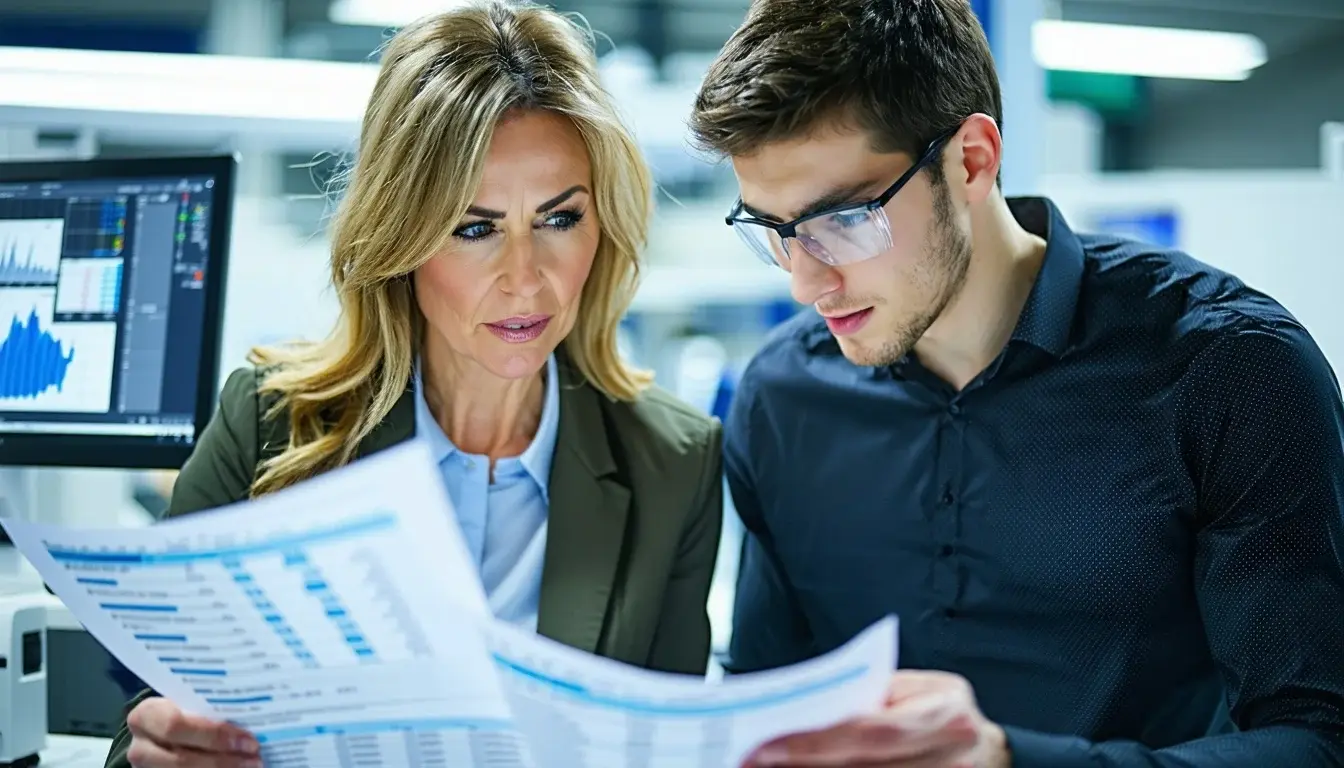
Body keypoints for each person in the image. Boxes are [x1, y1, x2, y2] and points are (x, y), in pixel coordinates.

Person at [688, 0, 1344, 766]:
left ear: (972, 158)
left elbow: (1318, 741)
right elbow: (770, 697)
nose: (806, 283)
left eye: (844, 220)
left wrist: (1009, 760)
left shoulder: (1230, 369)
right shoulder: (781, 398)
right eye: (772, 232)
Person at [107, 3, 724, 767]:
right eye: (475, 228)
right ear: (402, 237)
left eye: (560, 219)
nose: (527, 280)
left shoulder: (676, 462)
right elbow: (140, 728)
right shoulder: (269, 425)